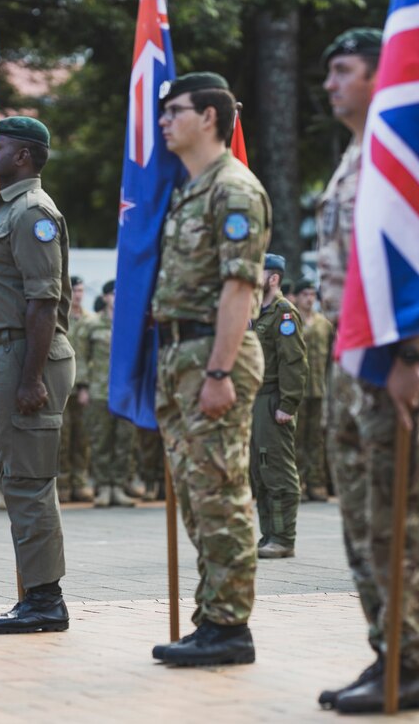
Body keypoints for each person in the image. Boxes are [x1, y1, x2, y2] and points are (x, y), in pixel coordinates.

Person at [315, 30, 419, 713]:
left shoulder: (400, 157)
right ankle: (385, 651)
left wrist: (410, 357)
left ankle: (413, 666)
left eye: (344, 71)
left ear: (378, 76)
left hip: (397, 356)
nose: (330, 83)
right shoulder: (353, 157)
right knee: (364, 518)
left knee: (401, 517)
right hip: (353, 353)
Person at [149, 72, 270, 667]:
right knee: (199, 499)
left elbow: (238, 288)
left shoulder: (234, 189)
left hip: (212, 357)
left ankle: (230, 627)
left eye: (176, 110)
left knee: (221, 495)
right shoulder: (189, 190)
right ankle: (212, 615)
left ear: (212, 118)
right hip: (180, 356)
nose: (165, 120)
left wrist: (220, 373)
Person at [0, 116, 75, 634]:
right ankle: (37, 595)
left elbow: (43, 300)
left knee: (30, 483)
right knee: (20, 481)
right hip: (5, 356)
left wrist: (31, 378)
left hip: (25, 357)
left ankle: (45, 601)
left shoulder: (33, 212)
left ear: (24, 156)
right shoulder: (4, 210)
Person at [250, 254, 307, 558]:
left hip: (273, 398)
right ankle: (268, 534)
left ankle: (284, 538)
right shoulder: (258, 311)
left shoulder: (284, 314)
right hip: (254, 399)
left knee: (279, 470)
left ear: (273, 278)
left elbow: (294, 362)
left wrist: (288, 403)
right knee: (259, 470)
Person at [79, 280, 138, 508]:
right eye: (113, 294)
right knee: (101, 440)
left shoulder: (130, 324)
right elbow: (82, 357)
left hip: (125, 392)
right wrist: (83, 387)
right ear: (105, 298)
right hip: (99, 390)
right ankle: (103, 487)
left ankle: (119, 486)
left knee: (124, 440)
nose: (117, 298)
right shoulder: (93, 325)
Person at [293, 281, 334, 501]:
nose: (309, 298)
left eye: (312, 294)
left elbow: (330, 358)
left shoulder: (324, 324)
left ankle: (317, 483)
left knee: (317, 438)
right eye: (304, 294)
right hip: (298, 388)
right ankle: (299, 482)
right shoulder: (291, 319)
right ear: (297, 297)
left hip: (319, 387)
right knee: (297, 437)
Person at [60, 275, 94, 503]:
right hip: (61, 386)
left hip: (82, 387)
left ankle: (80, 481)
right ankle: (63, 482)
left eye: (81, 290)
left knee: (82, 438)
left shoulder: (91, 321)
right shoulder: (58, 317)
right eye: (75, 290)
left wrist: (87, 386)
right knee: (62, 437)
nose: (78, 294)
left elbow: (94, 358)